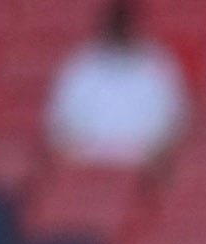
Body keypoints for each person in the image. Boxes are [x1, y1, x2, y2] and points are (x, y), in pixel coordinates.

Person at [45, 0, 187, 168]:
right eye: (116, 23)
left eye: (124, 23)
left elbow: (176, 124)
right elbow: (59, 127)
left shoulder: (158, 64)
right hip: (87, 167)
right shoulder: (80, 66)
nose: (120, 29)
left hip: (145, 169)